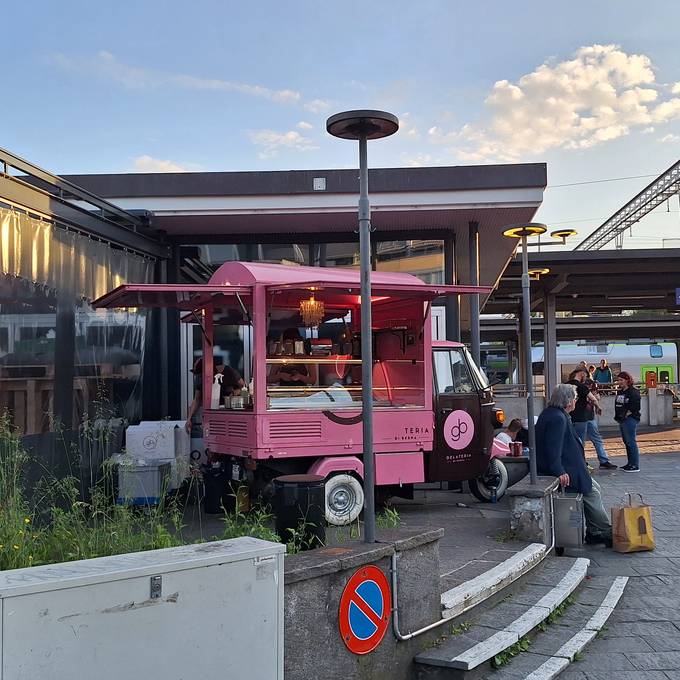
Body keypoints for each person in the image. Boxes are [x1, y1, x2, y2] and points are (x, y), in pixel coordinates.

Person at [536, 384, 612, 546]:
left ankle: (594, 531)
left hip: (573, 467)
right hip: (569, 470)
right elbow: (553, 447)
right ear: (569, 400)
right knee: (592, 494)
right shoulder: (558, 418)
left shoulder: (553, 414)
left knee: (595, 489)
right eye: (575, 398)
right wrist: (559, 470)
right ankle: (606, 531)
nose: (577, 401)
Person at [185, 356, 244, 432]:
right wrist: (189, 419)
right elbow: (197, 399)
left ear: (211, 370)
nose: (201, 377)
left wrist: (235, 393)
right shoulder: (200, 379)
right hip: (213, 412)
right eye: (199, 375)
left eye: (202, 374)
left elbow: (243, 386)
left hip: (231, 412)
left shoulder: (228, 371)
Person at [615, 371, 642, 473]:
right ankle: (630, 463)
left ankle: (634, 465)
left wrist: (627, 414)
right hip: (622, 419)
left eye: (621, 380)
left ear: (627, 380)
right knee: (627, 442)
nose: (619, 382)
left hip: (630, 419)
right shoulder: (621, 391)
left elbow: (636, 406)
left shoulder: (633, 392)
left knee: (631, 441)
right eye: (618, 380)